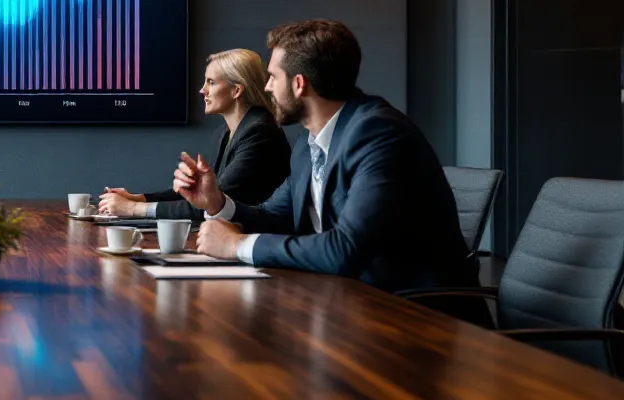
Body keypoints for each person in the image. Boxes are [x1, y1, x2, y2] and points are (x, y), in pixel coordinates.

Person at [178, 20, 474, 293]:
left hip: (414, 314)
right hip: (341, 301)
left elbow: (346, 249)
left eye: (272, 77)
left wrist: (239, 245)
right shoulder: (310, 144)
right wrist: (217, 202)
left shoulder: (379, 134)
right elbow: (273, 217)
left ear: (299, 83)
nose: (266, 87)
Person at [99, 49, 289, 219]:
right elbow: (199, 194)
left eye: (211, 83)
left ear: (236, 90)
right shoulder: (226, 132)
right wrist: (138, 199)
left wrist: (133, 209)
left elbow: (209, 202)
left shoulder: (259, 132)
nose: (202, 90)